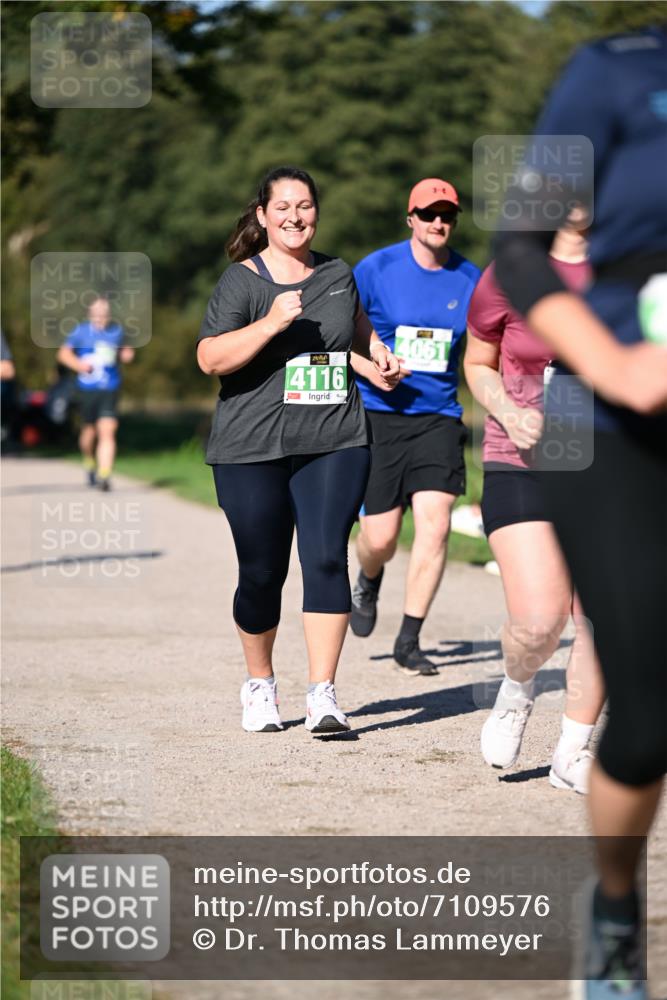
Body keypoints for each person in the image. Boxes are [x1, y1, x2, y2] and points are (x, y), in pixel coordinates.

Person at [493, 26, 667, 1000]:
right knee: (647, 718)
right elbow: (517, 250)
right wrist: (611, 367)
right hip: (611, 419)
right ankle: (610, 914)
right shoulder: (615, 69)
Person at [197, 166, 401, 735]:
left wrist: (376, 355)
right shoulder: (242, 281)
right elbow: (210, 359)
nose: (295, 216)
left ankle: (323, 694)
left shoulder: (338, 273)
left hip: (335, 438)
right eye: (283, 206)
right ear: (262, 216)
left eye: (305, 205)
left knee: (326, 558)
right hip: (251, 446)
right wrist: (268, 324)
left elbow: (351, 330)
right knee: (263, 571)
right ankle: (260, 685)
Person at [464, 212, 605, 794]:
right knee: (540, 621)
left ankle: (573, 751)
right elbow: (477, 362)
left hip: (610, 465)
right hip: (521, 457)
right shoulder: (513, 270)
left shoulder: (636, 268)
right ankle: (517, 689)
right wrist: (508, 409)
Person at [349, 178, 480, 675]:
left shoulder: (471, 279)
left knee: (437, 524)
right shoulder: (376, 269)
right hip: (379, 414)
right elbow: (345, 329)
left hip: (439, 418)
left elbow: (488, 347)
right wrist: (371, 361)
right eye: (428, 214)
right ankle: (368, 576)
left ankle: (409, 639)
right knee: (380, 537)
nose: (438, 223)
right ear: (411, 219)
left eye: (447, 214)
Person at [57, 297, 134, 491]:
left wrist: (126, 355)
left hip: (110, 388)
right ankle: (89, 460)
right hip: (86, 389)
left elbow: (125, 352)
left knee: (107, 431)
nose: (101, 317)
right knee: (89, 433)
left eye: (104, 313)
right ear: (90, 314)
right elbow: (63, 354)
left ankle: (105, 475)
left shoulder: (116, 332)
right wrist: (79, 365)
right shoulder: (80, 332)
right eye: (97, 313)